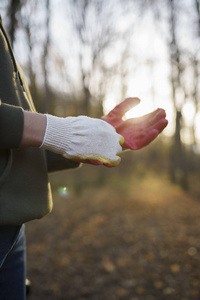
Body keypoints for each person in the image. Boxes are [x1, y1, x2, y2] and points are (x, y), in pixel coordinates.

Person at [0, 14, 168, 300]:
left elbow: (15, 147)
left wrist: (84, 140)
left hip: (14, 224)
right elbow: (37, 130)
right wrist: (57, 130)